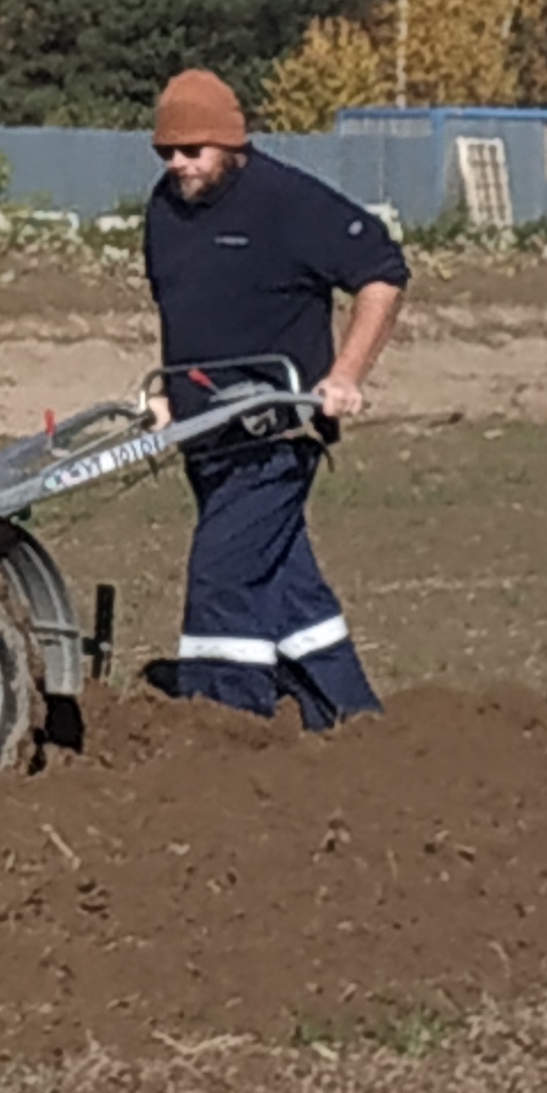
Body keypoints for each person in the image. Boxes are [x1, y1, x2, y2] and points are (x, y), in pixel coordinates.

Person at [140, 67, 407, 730]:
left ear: (231, 143)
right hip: (203, 435)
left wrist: (344, 376)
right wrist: (168, 393)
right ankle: (348, 714)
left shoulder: (287, 201)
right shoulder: (164, 208)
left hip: (275, 432)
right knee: (286, 586)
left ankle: (223, 726)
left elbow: (382, 274)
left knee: (222, 576)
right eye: (167, 152)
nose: (178, 165)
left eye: (192, 151)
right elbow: (183, 308)